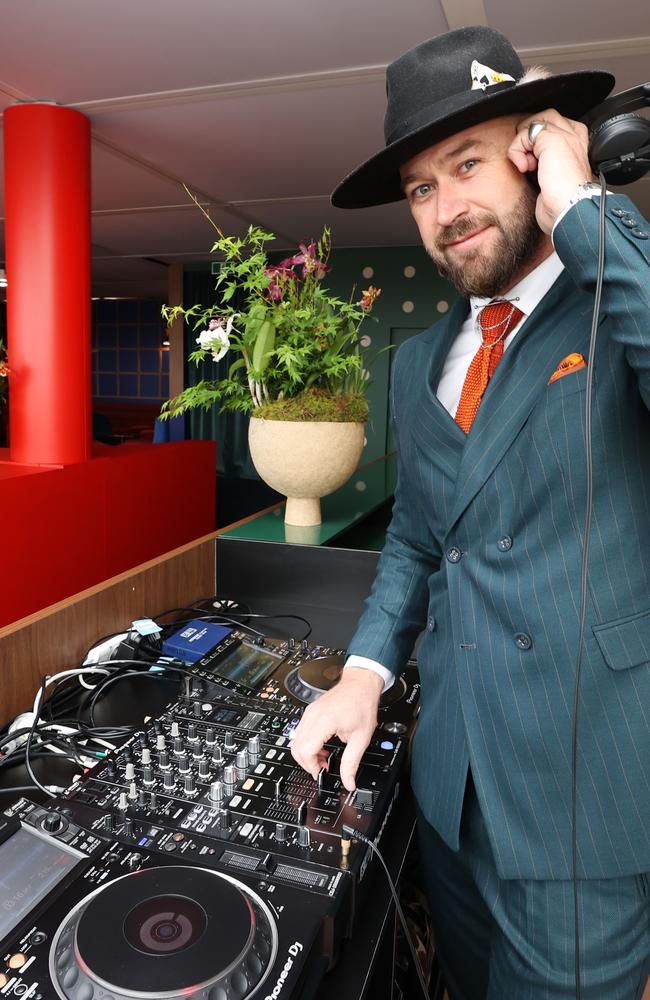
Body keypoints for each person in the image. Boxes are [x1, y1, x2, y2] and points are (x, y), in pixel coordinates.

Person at [290, 25, 650, 1000]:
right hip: (449, 790)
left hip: (582, 806)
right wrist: (363, 672)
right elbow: (415, 535)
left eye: (466, 165)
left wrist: (584, 205)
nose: (444, 208)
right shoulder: (415, 362)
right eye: (418, 187)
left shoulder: (611, 298)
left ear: (533, 151)